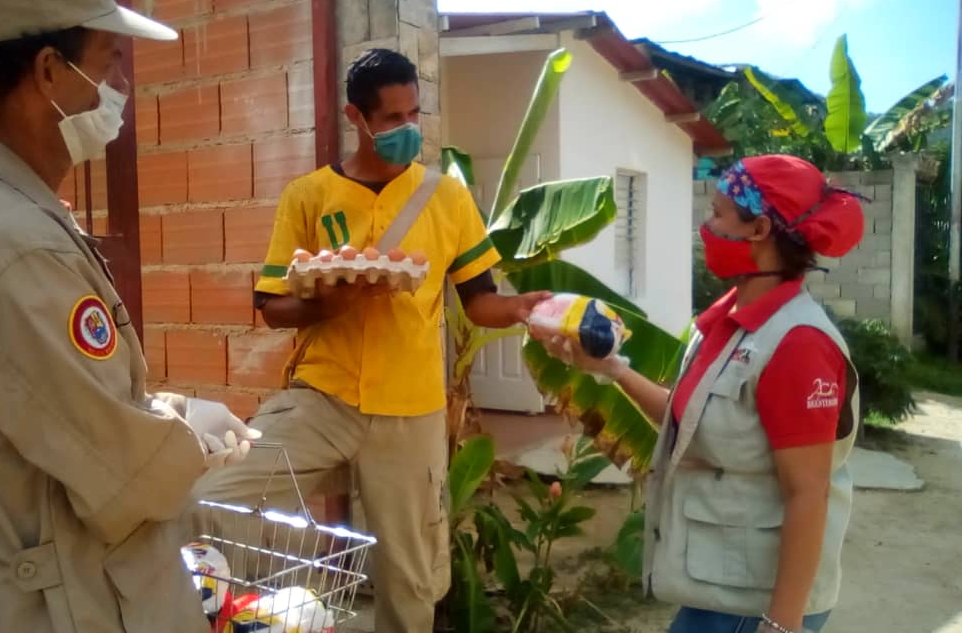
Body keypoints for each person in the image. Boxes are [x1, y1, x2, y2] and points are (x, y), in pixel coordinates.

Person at [0, 0, 258, 631]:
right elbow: (127, 477)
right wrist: (187, 442)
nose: (118, 86)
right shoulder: (8, 244)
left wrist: (165, 410)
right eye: (109, 60)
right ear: (49, 71)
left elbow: (53, 403)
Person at [194, 48, 550, 633]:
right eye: (391, 118)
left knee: (410, 581)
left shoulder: (447, 197)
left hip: (411, 409)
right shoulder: (309, 195)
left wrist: (520, 308)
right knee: (209, 502)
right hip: (323, 396)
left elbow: (479, 299)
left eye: (414, 114)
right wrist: (331, 301)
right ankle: (221, 610)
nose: (408, 128)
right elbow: (272, 306)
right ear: (355, 117)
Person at [534, 155, 865, 633]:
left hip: (754, 604)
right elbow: (686, 419)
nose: (706, 226)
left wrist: (781, 624)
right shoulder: (729, 321)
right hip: (719, 587)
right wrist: (610, 369)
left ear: (759, 229)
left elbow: (808, 492)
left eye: (717, 213)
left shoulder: (798, 343)